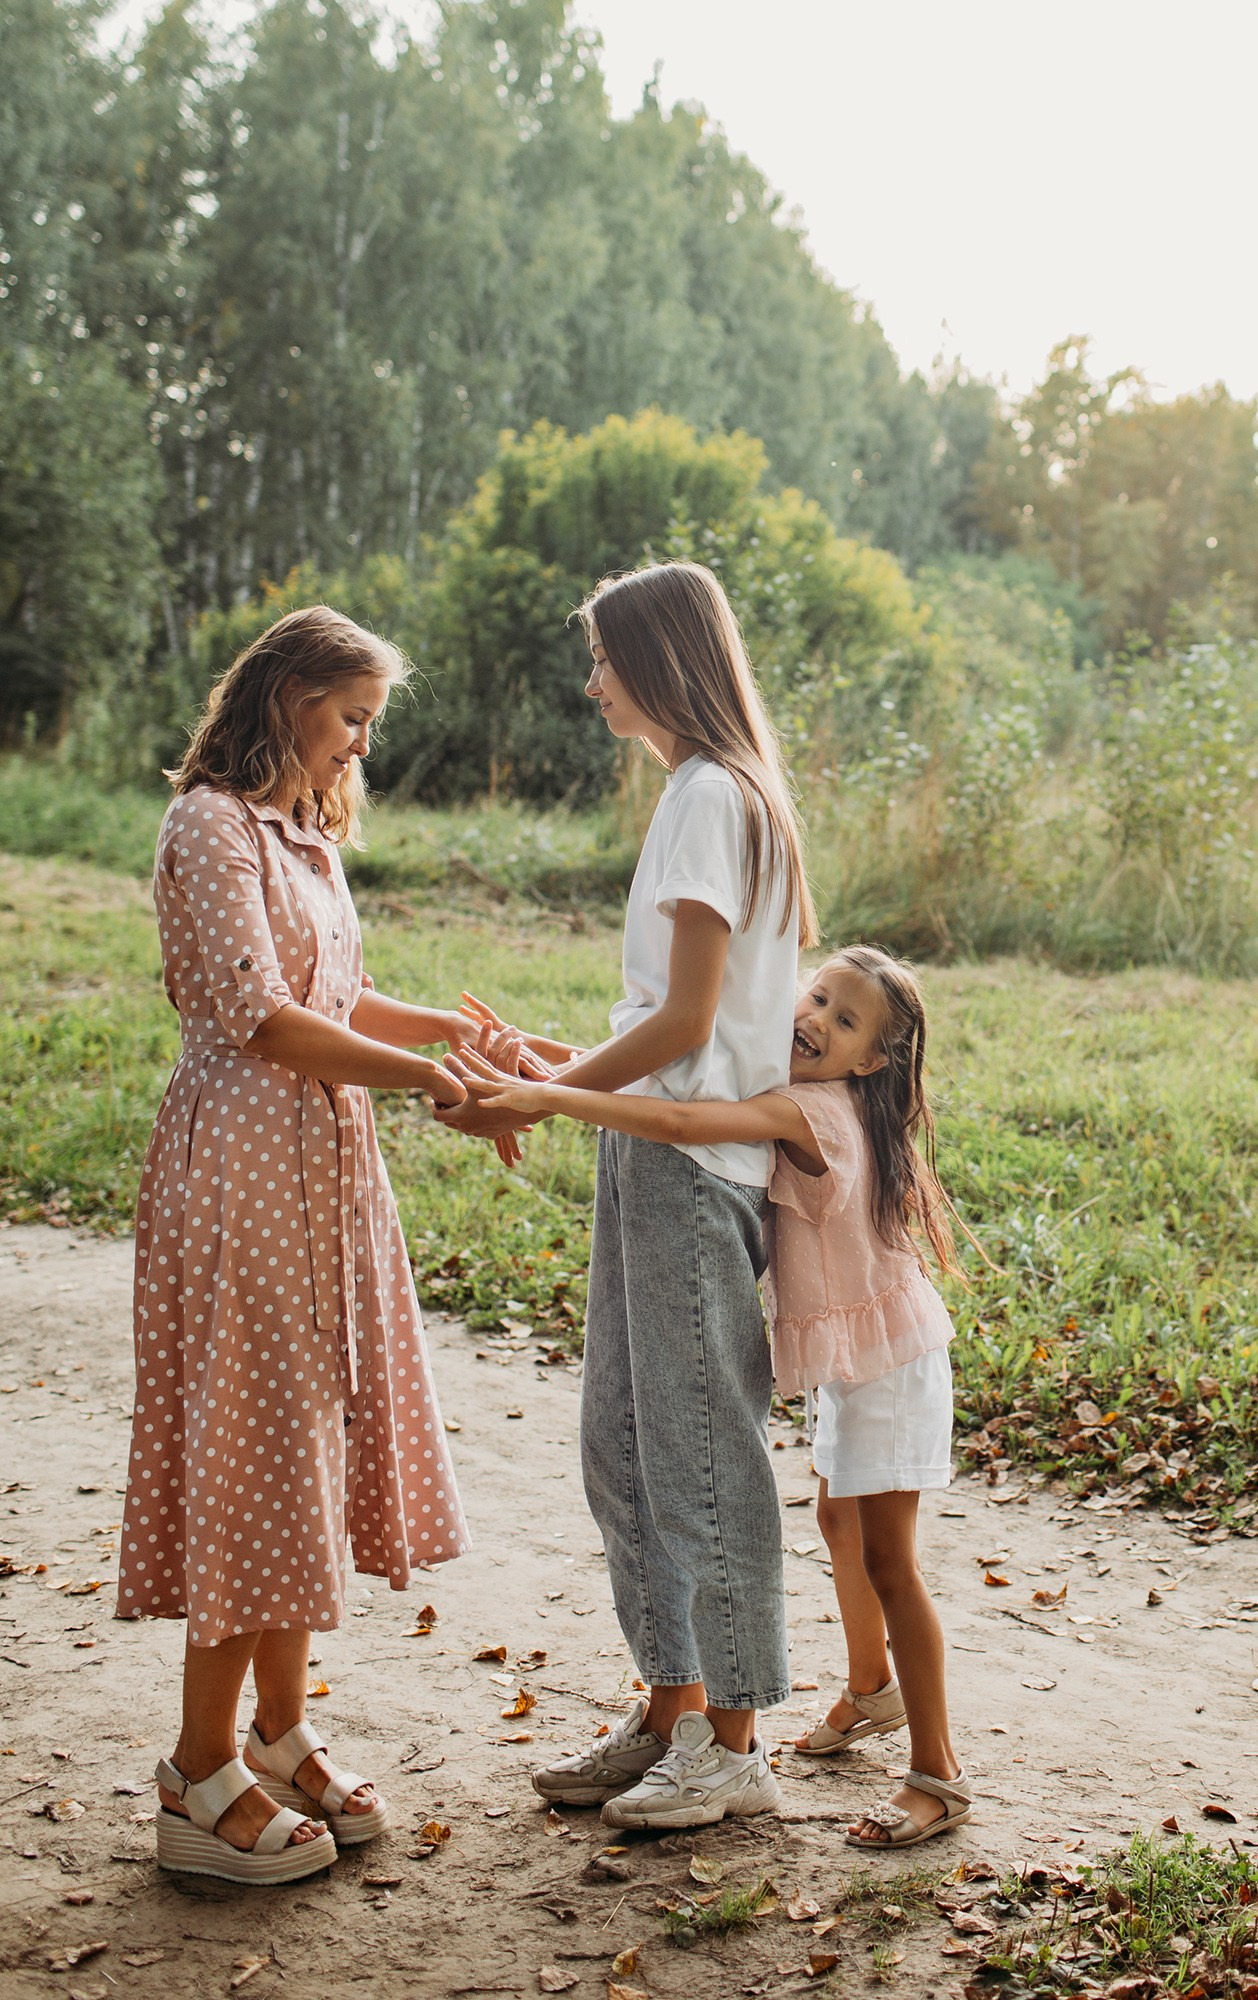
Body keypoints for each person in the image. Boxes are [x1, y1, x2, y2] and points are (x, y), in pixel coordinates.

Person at [442, 559, 816, 1832]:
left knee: (699, 1448)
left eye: (603, 655)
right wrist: (544, 1064)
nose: (590, 677)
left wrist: (544, 1095)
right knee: (621, 1437)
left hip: (688, 1165)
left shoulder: (713, 793)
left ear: (656, 660)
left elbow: (690, 1021)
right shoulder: (697, 791)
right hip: (645, 1148)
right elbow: (658, 1022)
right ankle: (669, 1704)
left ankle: (734, 1737)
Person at [456, 945, 972, 1849]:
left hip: (889, 1364)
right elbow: (670, 1082)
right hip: (863, 1357)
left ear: (871, 1061)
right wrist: (536, 1056)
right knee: (840, 1527)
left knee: (890, 1559)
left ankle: (939, 1775)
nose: (813, 1017)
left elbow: (682, 1121)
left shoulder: (812, 1110)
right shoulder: (805, 1087)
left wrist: (550, 1096)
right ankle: (870, 1691)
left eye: (843, 1020)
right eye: (815, 995)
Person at [116, 606, 474, 1884]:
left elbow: (327, 993)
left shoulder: (303, 833)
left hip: (325, 1166)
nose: (359, 748)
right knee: (258, 1443)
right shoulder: (209, 824)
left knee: (308, 1438)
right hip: (247, 1167)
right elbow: (263, 1017)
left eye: (369, 725)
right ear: (285, 697)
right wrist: (421, 1076)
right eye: (350, 719)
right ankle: (194, 1767)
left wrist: (444, 1026)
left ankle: (278, 1730)